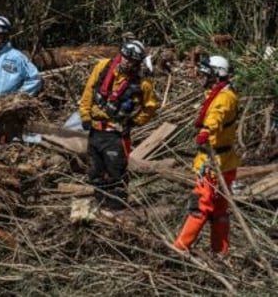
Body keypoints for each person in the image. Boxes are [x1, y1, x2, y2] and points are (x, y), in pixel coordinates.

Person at [79, 39, 159, 210]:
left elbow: (151, 107)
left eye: (131, 60)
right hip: (96, 131)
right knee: (95, 173)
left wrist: (135, 121)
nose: (126, 62)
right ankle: (99, 205)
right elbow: (88, 92)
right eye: (125, 57)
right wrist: (85, 116)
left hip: (116, 135)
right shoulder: (103, 67)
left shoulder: (142, 83)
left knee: (116, 174)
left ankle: (117, 210)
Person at [173, 55, 239, 254]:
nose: (200, 77)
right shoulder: (219, 93)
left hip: (213, 163)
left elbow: (216, 117)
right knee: (219, 210)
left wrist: (205, 132)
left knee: (200, 207)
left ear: (216, 75)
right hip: (224, 162)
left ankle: (178, 249)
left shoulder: (224, 98)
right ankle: (220, 253)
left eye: (205, 73)